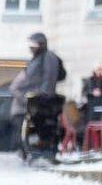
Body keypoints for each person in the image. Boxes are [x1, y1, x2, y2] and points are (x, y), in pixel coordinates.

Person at [11, 32, 67, 161]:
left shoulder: (47, 57)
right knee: (36, 126)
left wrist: (43, 95)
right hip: (36, 98)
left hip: (42, 99)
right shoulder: (37, 59)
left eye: (34, 44)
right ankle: (36, 151)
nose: (31, 47)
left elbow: (49, 77)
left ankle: (44, 151)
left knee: (44, 126)